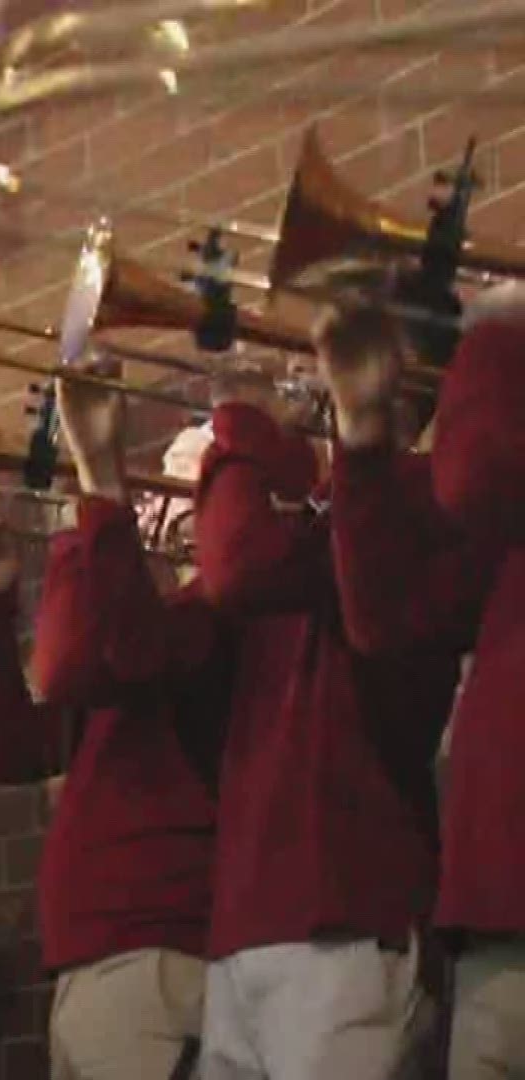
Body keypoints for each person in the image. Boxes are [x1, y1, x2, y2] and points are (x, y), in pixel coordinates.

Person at [0, 364, 231, 1080]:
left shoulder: (214, 620)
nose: (153, 505)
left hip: (155, 947)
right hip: (91, 955)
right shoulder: (150, 630)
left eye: (177, 487)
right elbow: (11, 748)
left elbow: (92, 657)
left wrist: (100, 491)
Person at [186, 347, 456, 1079]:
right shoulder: (310, 513)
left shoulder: (412, 495)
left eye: (324, 350)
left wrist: (242, 427)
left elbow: (240, 568)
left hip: (343, 911)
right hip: (248, 922)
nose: (301, 372)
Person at [317, 283, 525, 1076]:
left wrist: (496, 336)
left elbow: (476, 465)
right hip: (498, 913)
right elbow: (385, 617)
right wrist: (362, 437)